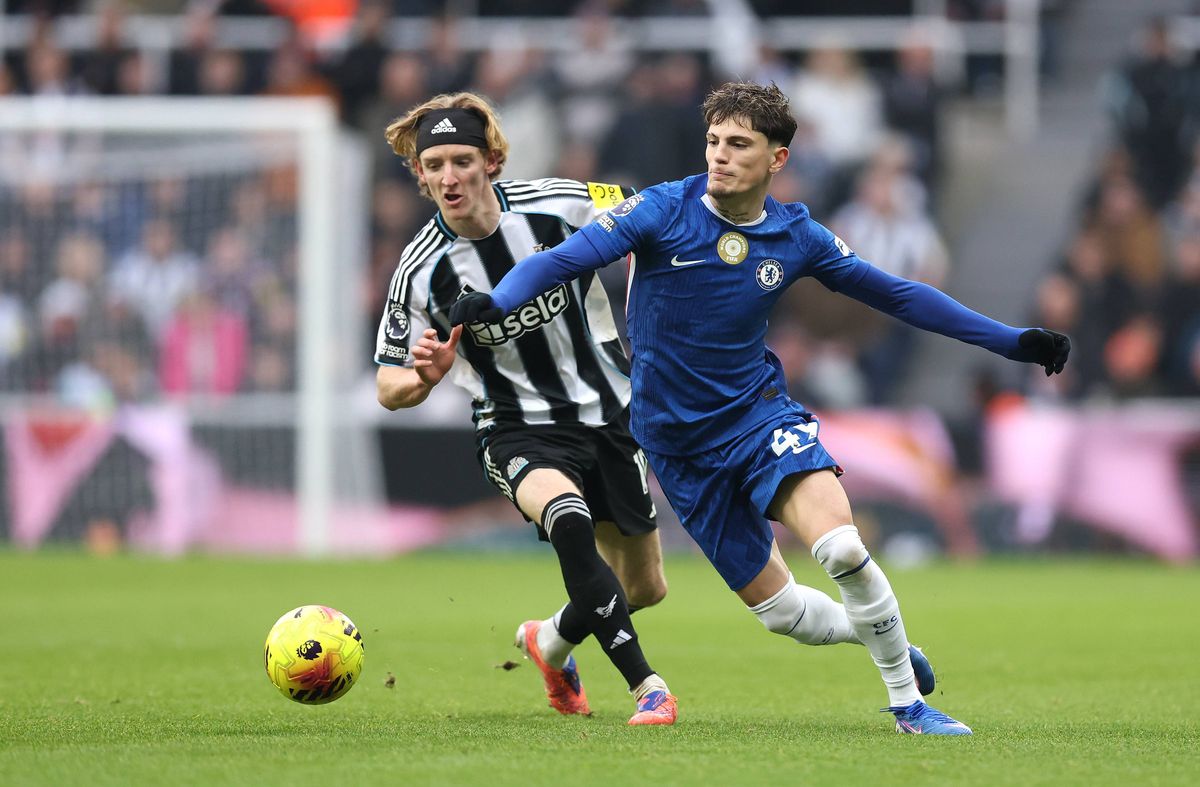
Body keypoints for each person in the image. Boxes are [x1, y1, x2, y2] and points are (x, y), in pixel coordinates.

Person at [451, 82, 1071, 735]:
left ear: (776, 159)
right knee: (783, 614)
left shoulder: (796, 235)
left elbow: (899, 295)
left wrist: (1012, 340)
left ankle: (907, 705)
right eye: (714, 141)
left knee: (841, 549)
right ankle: (878, 635)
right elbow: (564, 259)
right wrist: (496, 300)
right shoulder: (661, 210)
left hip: (758, 418)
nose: (719, 155)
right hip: (676, 445)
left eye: (739, 144)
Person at [375, 92, 677, 725]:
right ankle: (646, 686)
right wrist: (424, 378)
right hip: (516, 427)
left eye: (462, 160)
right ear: (421, 175)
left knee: (644, 588)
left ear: (492, 161)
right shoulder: (420, 269)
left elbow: (647, 210)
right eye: (434, 165)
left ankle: (550, 641)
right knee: (567, 520)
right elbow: (387, 385)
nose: (449, 176)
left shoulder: (561, 203)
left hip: (610, 412)